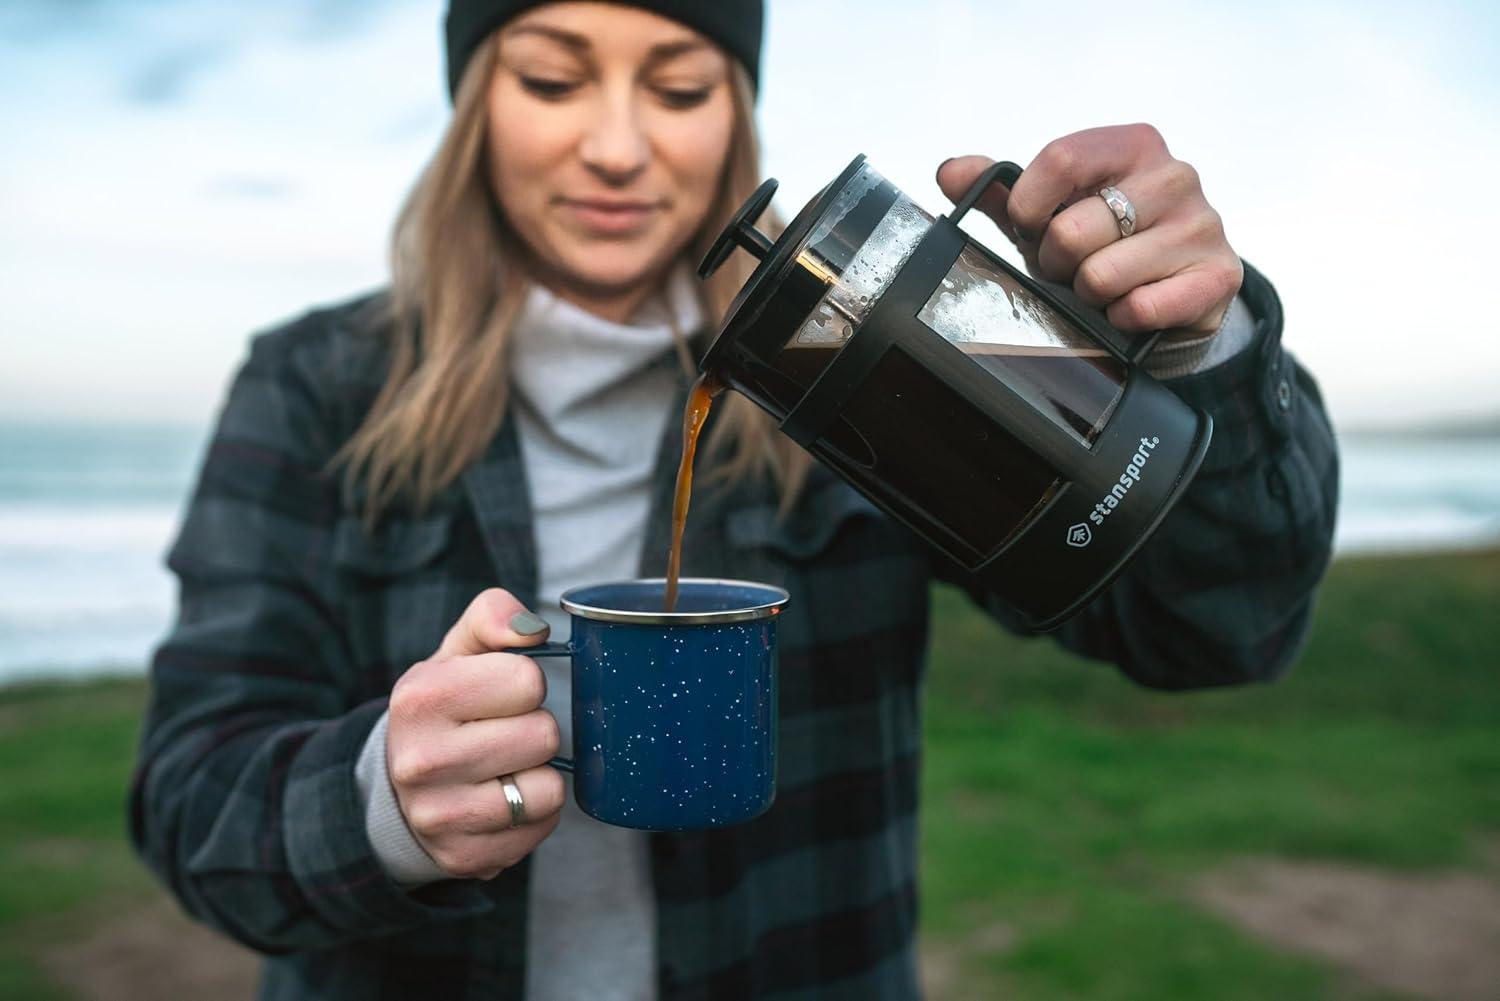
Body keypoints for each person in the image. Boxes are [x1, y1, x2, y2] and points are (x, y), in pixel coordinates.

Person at [128, 2, 1339, 998]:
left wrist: (1197, 347)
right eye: (552, 81)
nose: (617, 147)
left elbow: (1213, 629)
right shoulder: (317, 387)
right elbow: (193, 798)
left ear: (737, 119)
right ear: (472, 113)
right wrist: (380, 798)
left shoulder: (862, 367)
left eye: (677, 85)